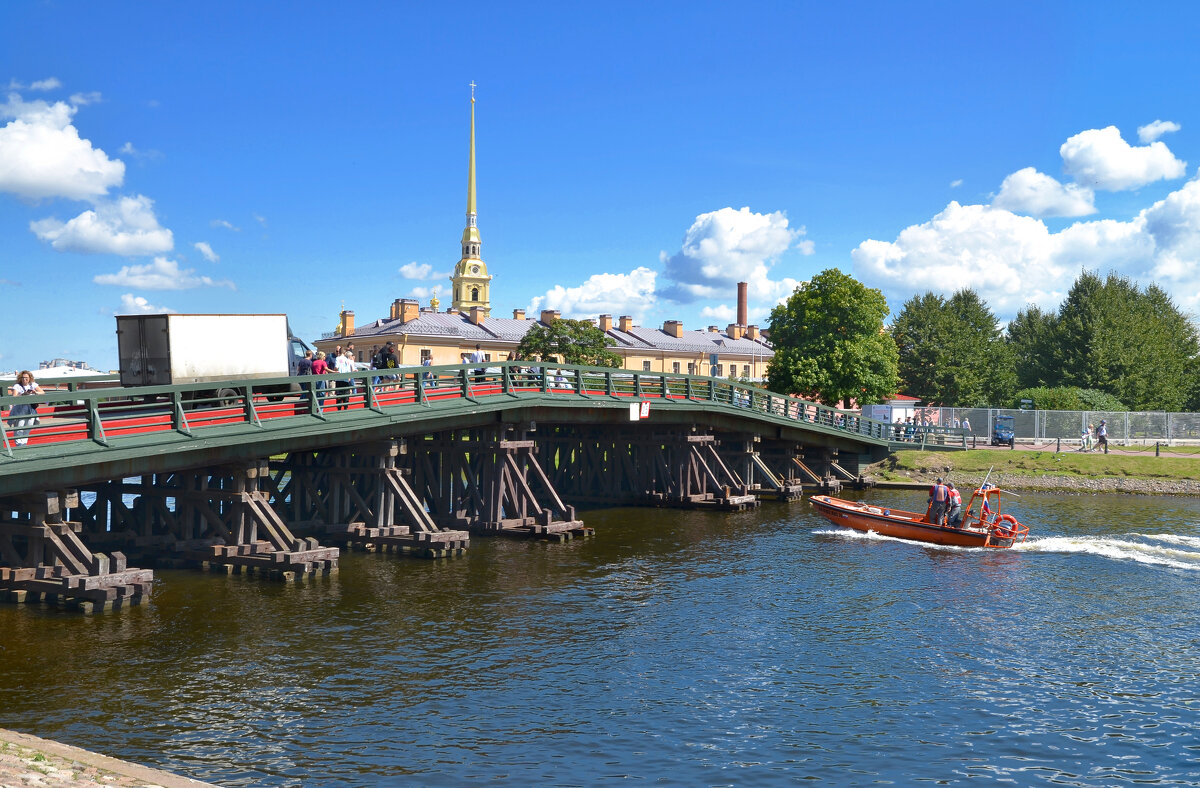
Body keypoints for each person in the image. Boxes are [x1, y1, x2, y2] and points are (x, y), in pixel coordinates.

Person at [6, 370, 44, 446]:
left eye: (26, 378)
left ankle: (24, 445)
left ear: (30, 378)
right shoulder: (17, 386)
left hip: (30, 409)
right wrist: (23, 394)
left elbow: (42, 392)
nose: (24, 379)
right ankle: (19, 446)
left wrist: (35, 392)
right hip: (20, 409)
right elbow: (14, 397)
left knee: (27, 428)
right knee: (19, 429)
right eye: (23, 378)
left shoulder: (33, 384)